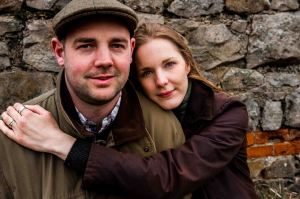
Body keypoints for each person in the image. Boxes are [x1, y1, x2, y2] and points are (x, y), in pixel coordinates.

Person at [0, 22, 258, 199]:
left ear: (187, 64)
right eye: (147, 72)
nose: (161, 81)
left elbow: (166, 176)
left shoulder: (228, 113)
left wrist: (62, 143)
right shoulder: (138, 113)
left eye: (169, 65)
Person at [0, 1, 187, 198]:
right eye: (87, 45)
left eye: (116, 45)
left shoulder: (165, 129)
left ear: (131, 50)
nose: (104, 60)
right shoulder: (13, 135)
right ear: (59, 52)